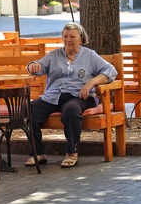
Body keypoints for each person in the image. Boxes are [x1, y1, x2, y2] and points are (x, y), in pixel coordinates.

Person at [25, 22, 117, 168]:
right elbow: (39, 67)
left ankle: (71, 153)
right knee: (29, 109)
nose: (68, 40)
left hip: (79, 97)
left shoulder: (90, 55)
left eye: (72, 37)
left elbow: (111, 70)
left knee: (71, 110)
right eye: (65, 36)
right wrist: (32, 66)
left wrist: (91, 82)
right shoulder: (54, 55)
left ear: (81, 38)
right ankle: (38, 153)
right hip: (53, 97)